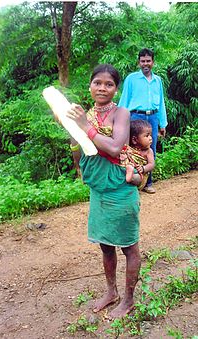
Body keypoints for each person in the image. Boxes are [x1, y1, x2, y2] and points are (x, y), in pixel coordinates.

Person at [66, 64, 141, 319]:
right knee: (105, 245)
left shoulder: (121, 113)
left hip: (120, 187)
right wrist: (73, 133)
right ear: (90, 85)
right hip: (98, 189)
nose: (102, 88)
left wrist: (84, 126)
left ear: (116, 89)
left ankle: (128, 299)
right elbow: (79, 149)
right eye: (97, 82)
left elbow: (114, 147)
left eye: (109, 84)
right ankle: (112, 292)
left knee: (129, 246)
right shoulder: (84, 114)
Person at [119, 48, 167, 193]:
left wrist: (162, 123)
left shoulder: (158, 80)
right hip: (135, 117)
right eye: (142, 61)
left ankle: (148, 183)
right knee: (131, 150)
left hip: (152, 117)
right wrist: (119, 121)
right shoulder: (131, 79)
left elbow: (161, 103)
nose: (145, 64)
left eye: (148, 61)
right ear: (139, 62)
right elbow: (124, 99)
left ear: (153, 62)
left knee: (149, 149)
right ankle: (130, 182)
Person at [119, 119, 155, 190]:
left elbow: (151, 164)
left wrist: (143, 168)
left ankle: (130, 176)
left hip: (140, 177)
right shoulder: (129, 148)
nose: (150, 138)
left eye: (150, 135)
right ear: (134, 140)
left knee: (136, 177)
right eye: (147, 136)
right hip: (127, 172)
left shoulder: (148, 151)